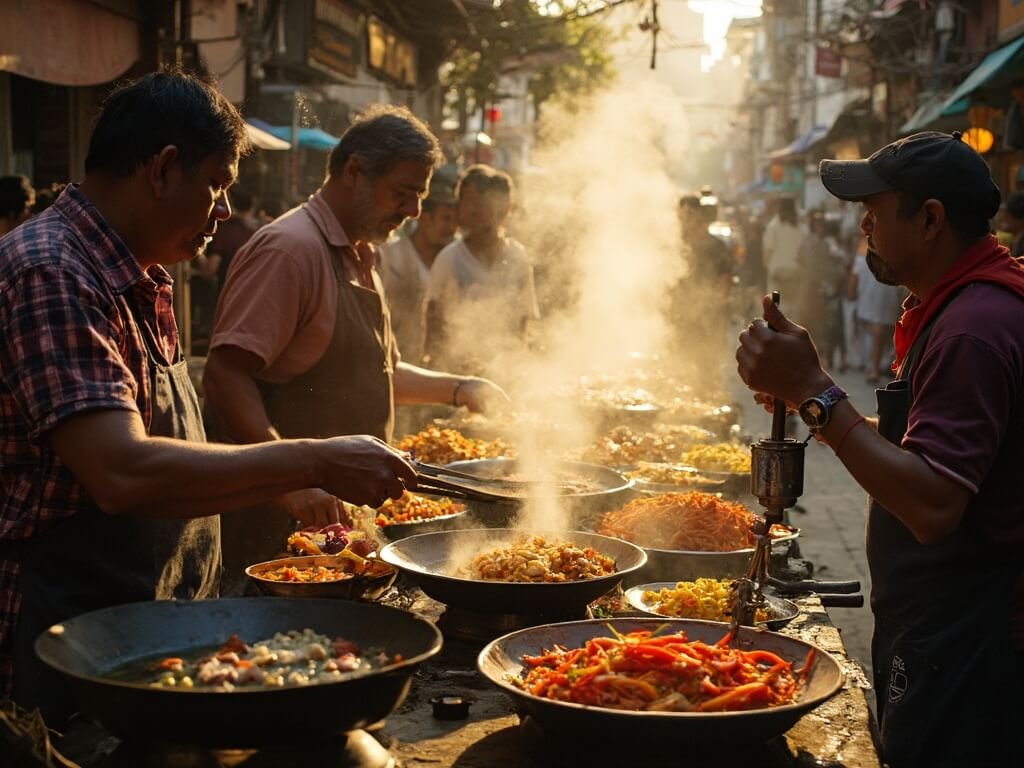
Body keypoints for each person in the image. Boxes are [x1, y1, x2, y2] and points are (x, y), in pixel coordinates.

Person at [0, 70, 415, 724]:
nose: (224, 211)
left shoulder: (140, 273)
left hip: (150, 628)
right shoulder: (51, 270)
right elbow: (120, 472)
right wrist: (311, 461)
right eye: (218, 186)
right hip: (71, 647)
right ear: (163, 170)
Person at [737, 131, 1024, 768]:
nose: (863, 223)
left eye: (877, 207)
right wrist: (821, 407)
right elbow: (923, 443)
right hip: (941, 623)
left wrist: (815, 393)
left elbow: (933, 504)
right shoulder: (958, 306)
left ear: (929, 219)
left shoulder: (974, 328)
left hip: (970, 641)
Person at [203, 105, 508, 591]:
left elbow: (382, 372)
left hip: (340, 529)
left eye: (419, 196)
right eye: (404, 192)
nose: (413, 211)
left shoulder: (360, 254)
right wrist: (291, 479)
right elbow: (225, 375)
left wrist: (462, 388)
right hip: (277, 537)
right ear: (353, 171)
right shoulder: (290, 249)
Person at [423, 164, 539, 374]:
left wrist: (520, 367)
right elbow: (433, 319)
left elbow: (524, 320)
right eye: (467, 201)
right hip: (457, 373)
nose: (472, 209)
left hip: (506, 371)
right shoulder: (449, 258)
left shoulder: (518, 257)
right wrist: (437, 370)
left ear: (505, 209)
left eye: (481, 201)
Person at [378, 180, 458, 364]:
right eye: (445, 218)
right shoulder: (390, 256)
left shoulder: (451, 262)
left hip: (435, 365)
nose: (451, 228)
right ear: (424, 217)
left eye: (455, 221)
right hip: (394, 361)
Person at [761, 196, 804, 317]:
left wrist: (767, 266)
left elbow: (767, 251)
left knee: (776, 304)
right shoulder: (800, 226)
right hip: (795, 272)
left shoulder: (773, 226)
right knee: (792, 306)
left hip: (777, 273)